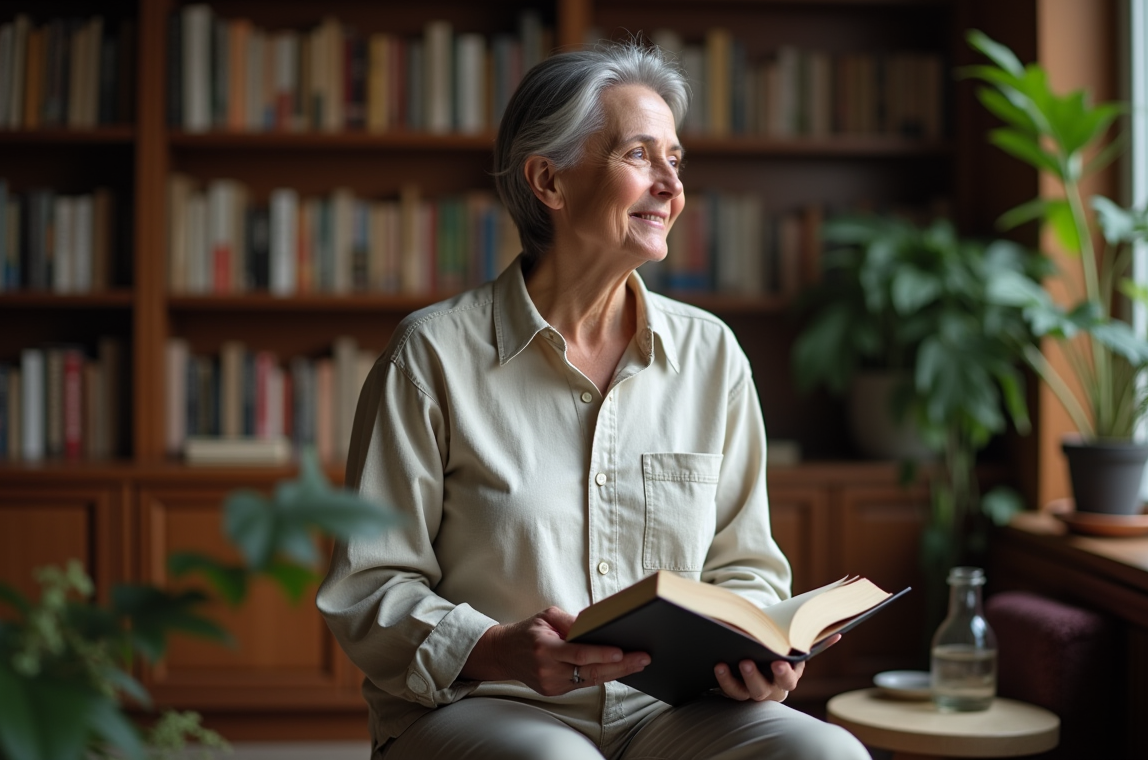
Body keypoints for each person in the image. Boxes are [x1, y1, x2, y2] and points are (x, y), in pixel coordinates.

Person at [316, 40, 870, 760]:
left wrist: (757, 648)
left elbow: (745, 563)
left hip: (671, 711)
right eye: (641, 155)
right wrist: (496, 649)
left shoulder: (712, 355)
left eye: (676, 160)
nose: (671, 185)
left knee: (829, 755)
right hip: (488, 702)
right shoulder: (431, 355)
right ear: (549, 180)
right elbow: (370, 583)